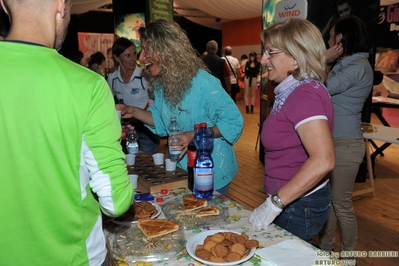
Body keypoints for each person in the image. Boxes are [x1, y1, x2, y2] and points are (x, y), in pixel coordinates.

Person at [0, 0, 134, 265]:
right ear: (61, 5)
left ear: (4, 5)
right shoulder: (89, 86)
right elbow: (115, 200)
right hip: (74, 256)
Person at [117, 19, 244, 194]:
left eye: (146, 50)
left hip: (210, 170)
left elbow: (233, 121)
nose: (141, 57)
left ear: (167, 51)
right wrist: (133, 111)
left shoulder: (204, 84)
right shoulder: (163, 83)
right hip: (182, 169)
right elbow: (161, 122)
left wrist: (195, 135)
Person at [248, 18, 335, 243]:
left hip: (297, 205)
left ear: (295, 59)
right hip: (293, 201)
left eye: (270, 52)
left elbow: (323, 160)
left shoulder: (304, 95)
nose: (263, 59)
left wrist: (273, 204)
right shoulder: (295, 90)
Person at [318, 15, 373, 255]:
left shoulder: (358, 66)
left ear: (339, 38)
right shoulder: (349, 63)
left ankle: (350, 257)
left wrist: (322, 59)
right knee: (329, 203)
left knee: (341, 205)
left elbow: (326, 87)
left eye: (331, 36)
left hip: (345, 144)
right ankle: (326, 250)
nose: (328, 40)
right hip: (335, 142)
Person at [108, 37, 160, 154]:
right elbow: (109, 103)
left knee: (148, 164)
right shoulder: (113, 78)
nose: (133, 59)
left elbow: (154, 101)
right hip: (126, 129)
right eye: (128, 55)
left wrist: (141, 117)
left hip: (147, 128)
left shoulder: (145, 76)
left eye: (134, 54)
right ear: (117, 58)